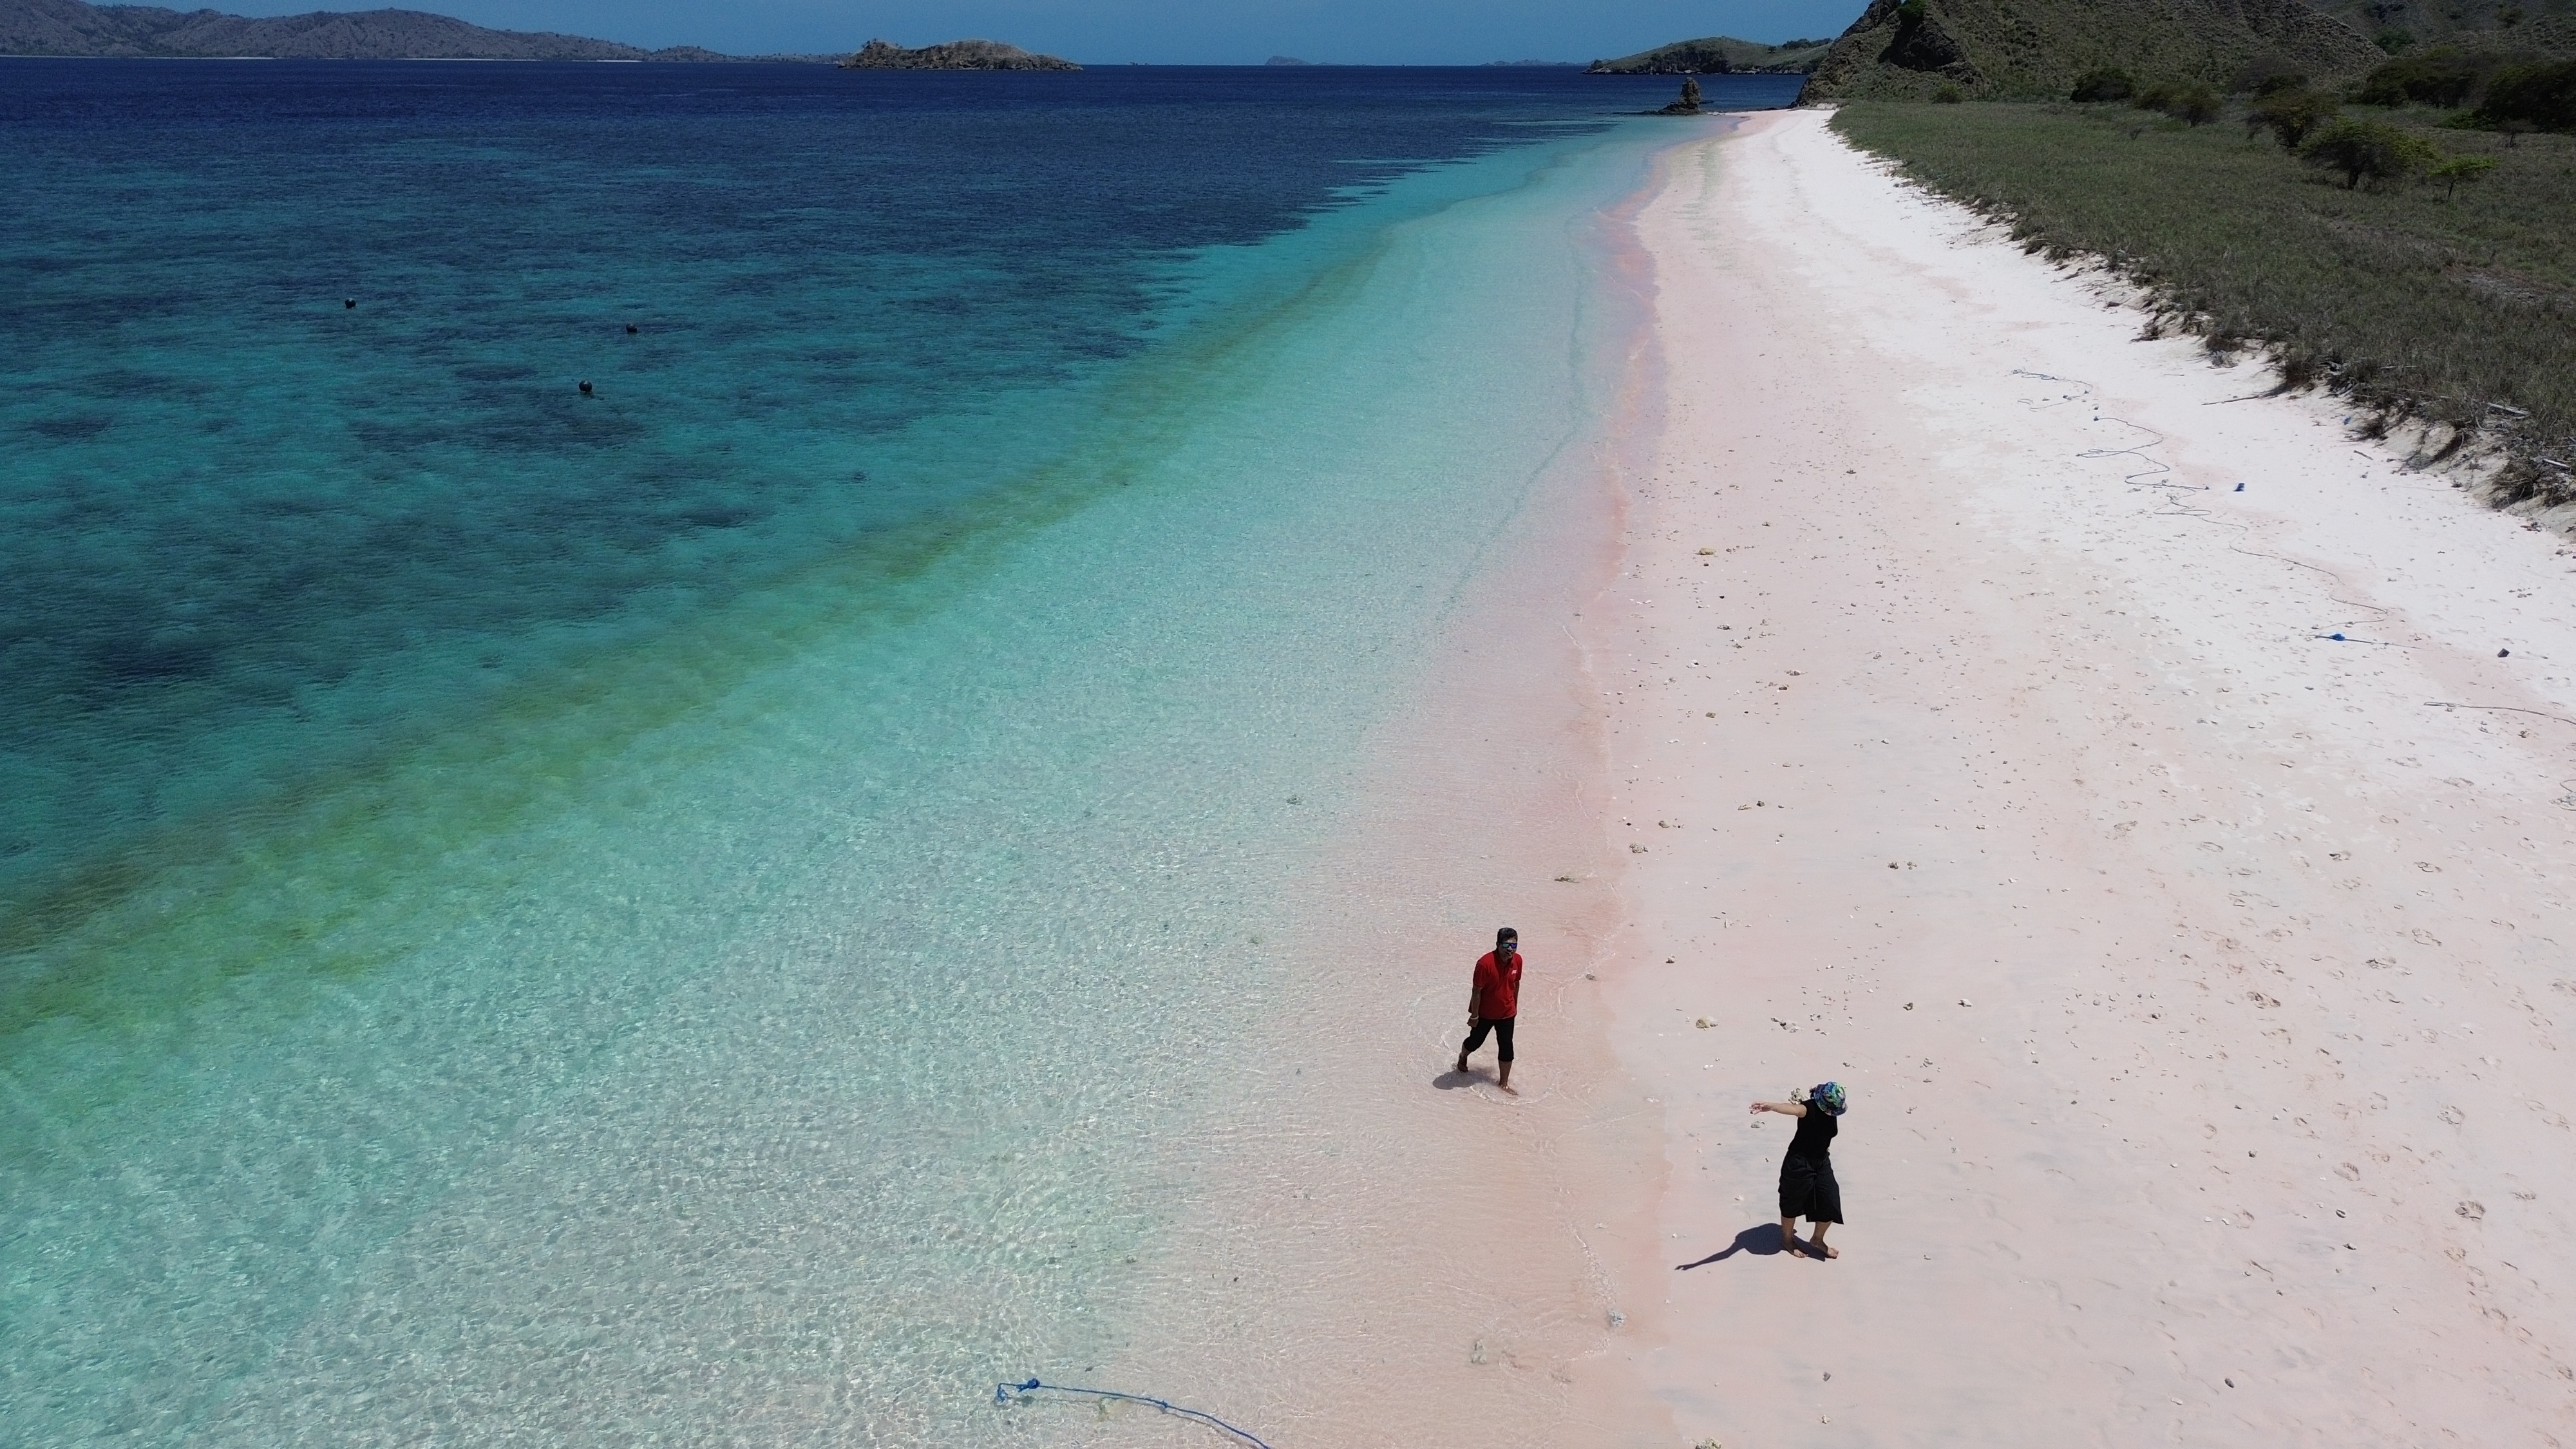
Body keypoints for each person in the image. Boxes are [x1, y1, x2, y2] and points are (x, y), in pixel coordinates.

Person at [1750, 1081, 1846, 1258]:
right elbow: (1791, 1109)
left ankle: (1817, 1239)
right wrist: (1770, 1107)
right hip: (1799, 1163)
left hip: (1822, 1161)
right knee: (1791, 1203)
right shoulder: (1807, 1109)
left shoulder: (1831, 1109)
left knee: (1830, 1201)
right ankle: (1787, 1239)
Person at [1455, 927, 1524, 1095]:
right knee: (1475, 1042)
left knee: (1507, 1048)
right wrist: (1474, 1016)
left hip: (1507, 1013)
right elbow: (1476, 991)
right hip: (1485, 1013)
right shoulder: (1485, 964)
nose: (1510, 949)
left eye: (1514, 945)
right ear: (1497, 944)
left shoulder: (1518, 961)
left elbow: (1516, 983)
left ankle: (1504, 1084)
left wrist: (1514, 1005)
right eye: (1506, 945)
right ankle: (1463, 1056)